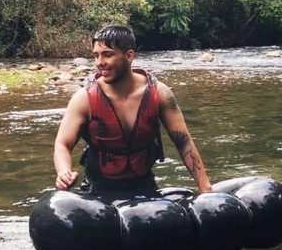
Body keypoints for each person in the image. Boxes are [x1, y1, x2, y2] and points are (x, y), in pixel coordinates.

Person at [54, 24, 213, 199]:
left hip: (144, 188)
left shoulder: (159, 93)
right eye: (96, 56)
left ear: (129, 55)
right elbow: (63, 144)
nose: (100, 62)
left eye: (107, 54)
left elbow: (184, 142)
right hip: (97, 191)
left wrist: (206, 190)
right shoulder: (84, 99)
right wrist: (64, 172)